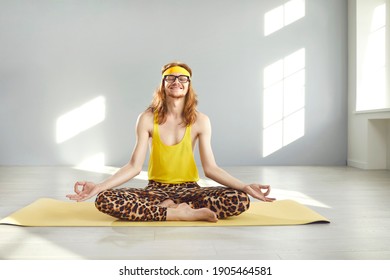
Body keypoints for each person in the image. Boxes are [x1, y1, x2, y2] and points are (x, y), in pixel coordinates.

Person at [66, 62, 275, 222]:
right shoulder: (147, 118)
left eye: (183, 78)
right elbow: (134, 166)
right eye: (171, 78)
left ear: (189, 85)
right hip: (155, 190)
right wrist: (99, 187)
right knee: (105, 199)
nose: (177, 82)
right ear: (163, 85)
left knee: (239, 199)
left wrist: (246, 187)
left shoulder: (201, 121)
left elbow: (211, 169)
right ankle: (179, 213)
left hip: (191, 190)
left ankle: (170, 208)